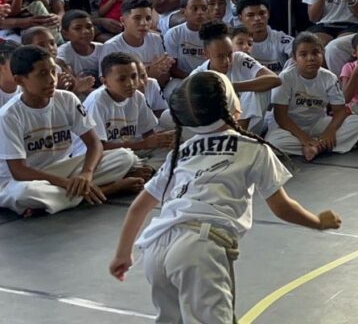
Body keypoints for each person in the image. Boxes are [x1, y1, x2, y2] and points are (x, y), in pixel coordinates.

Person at [108, 70, 341, 323]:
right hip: (200, 246)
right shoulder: (253, 148)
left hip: (156, 247)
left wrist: (123, 253)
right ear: (232, 104)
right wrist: (317, 222)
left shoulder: (182, 151)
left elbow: (139, 206)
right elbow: (281, 207)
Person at [0, 45, 138, 216]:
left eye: (53, 71)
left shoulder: (67, 99)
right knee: (24, 193)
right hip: (28, 178)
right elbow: (19, 171)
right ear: (20, 80)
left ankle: (67, 196)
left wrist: (86, 174)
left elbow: (94, 144)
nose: (52, 79)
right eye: (42, 74)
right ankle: (108, 190)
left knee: (124, 156)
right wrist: (65, 183)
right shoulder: (9, 115)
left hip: (63, 168)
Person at [266, 32, 358, 160]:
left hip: (316, 123)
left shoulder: (329, 78)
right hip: (289, 127)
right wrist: (304, 138)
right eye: (303, 54)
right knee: (273, 143)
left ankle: (316, 147)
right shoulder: (286, 77)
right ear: (295, 58)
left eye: (315, 53)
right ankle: (322, 145)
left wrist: (329, 132)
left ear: (322, 54)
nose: (310, 58)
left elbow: (340, 111)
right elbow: (281, 117)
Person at [80, 52, 172, 169]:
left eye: (134, 76)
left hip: (128, 149)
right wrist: (143, 144)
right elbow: (97, 147)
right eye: (122, 79)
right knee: (125, 158)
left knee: (170, 147)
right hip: (94, 156)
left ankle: (148, 169)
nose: (130, 84)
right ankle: (137, 170)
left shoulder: (137, 96)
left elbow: (148, 134)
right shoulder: (97, 101)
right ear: (105, 82)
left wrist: (161, 139)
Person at [192, 21, 281, 134]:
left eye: (229, 54)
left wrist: (230, 87)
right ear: (206, 54)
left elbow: (275, 80)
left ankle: (237, 136)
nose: (227, 61)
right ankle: (233, 136)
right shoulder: (197, 76)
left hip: (250, 126)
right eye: (220, 56)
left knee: (257, 89)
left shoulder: (239, 58)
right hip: (216, 128)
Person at [104, 0, 174, 88]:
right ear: (123, 21)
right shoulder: (111, 46)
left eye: (148, 18)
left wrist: (162, 71)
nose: (144, 23)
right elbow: (111, 86)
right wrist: (149, 73)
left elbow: (163, 80)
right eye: (137, 18)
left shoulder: (156, 39)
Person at [235, 0, 294, 74]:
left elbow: (298, 50)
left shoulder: (279, 38)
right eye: (250, 15)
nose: (257, 18)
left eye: (262, 13)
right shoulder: (235, 42)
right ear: (240, 18)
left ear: (268, 14)